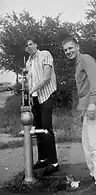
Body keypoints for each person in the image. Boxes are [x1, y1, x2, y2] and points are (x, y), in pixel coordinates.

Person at [62, 36, 96, 193]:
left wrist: (92, 104)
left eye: (70, 48)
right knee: (87, 145)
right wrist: (84, 110)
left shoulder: (86, 59)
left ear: (77, 47)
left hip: (95, 105)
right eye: (66, 49)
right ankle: (94, 175)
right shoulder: (78, 64)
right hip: (88, 108)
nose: (68, 51)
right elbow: (84, 90)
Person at [25, 37, 59, 173]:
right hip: (35, 99)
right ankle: (43, 159)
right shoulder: (28, 62)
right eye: (27, 46)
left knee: (46, 129)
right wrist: (29, 95)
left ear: (36, 44)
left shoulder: (45, 54)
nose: (29, 47)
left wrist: (32, 90)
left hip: (46, 96)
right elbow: (30, 81)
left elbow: (46, 77)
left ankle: (54, 163)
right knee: (37, 129)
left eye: (31, 44)